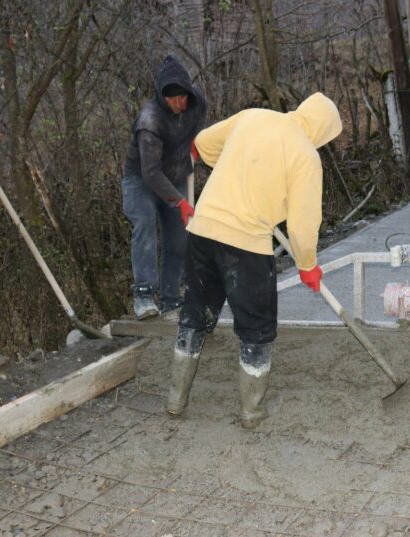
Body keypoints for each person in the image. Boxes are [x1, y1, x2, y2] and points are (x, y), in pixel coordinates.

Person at [167, 92, 343, 429]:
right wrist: (308, 265)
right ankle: (252, 412)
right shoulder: (305, 156)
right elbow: (303, 224)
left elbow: (202, 145)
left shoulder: (253, 117)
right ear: (323, 131)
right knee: (256, 329)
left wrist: (243, 164)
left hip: (202, 231)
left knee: (194, 315)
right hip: (245, 245)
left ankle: (175, 399)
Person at [122, 55, 206, 320]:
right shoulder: (150, 120)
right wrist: (179, 202)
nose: (179, 104)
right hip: (142, 181)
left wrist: (195, 145)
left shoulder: (197, 101)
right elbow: (150, 172)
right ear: (162, 97)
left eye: (182, 97)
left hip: (177, 172)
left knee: (178, 238)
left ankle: (171, 298)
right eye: (172, 100)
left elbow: (197, 127)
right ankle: (144, 295)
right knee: (144, 225)